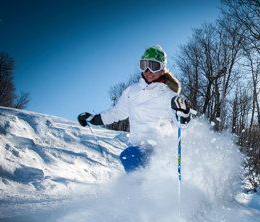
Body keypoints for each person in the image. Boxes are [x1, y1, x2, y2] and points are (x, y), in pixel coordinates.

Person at [78, 45, 192, 173]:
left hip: (159, 149)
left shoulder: (169, 96)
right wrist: (94, 119)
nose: (148, 71)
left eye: (154, 66)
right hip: (138, 148)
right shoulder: (132, 91)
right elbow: (118, 112)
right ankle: (139, 189)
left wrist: (184, 114)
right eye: (144, 65)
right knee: (131, 156)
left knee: (130, 156)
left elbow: (182, 125)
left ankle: (140, 189)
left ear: (162, 70)